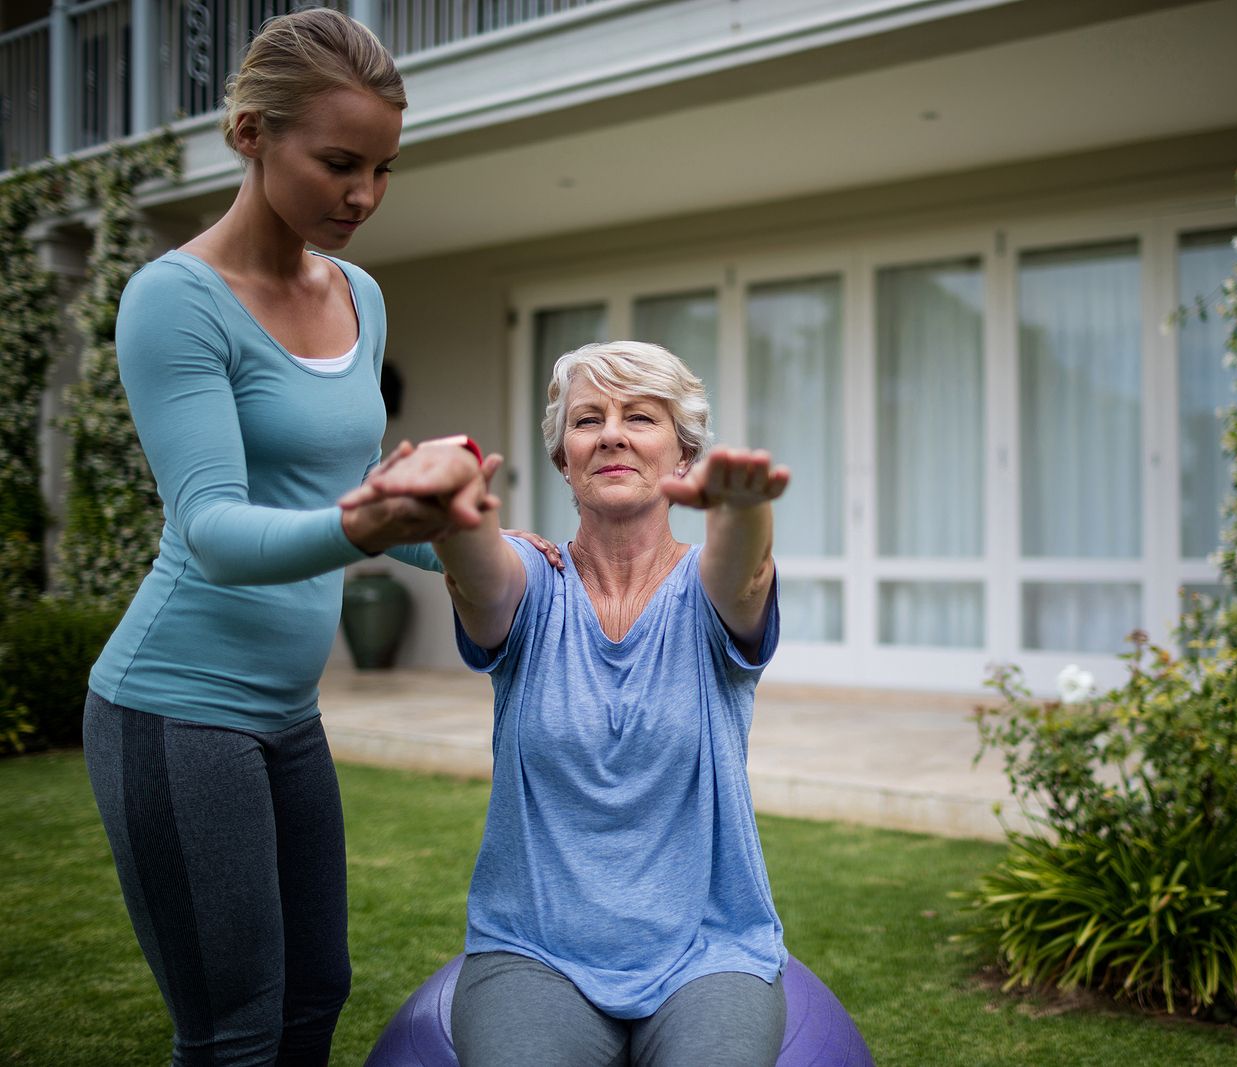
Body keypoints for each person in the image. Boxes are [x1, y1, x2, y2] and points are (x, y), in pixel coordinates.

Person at [81, 11, 557, 1065]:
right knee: (236, 1029)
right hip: (175, 706)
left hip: (288, 714)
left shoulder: (361, 296)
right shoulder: (175, 301)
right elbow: (214, 530)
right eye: (339, 162)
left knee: (315, 994)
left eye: (385, 167)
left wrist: (484, 536)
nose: (365, 195)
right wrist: (369, 519)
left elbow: (361, 493)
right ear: (250, 132)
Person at [347, 340, 793, 1066]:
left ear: (682, 455)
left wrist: (743, 512)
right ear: (563, 459)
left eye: (640, 417)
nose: (612, 432)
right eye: (589, 419)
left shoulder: (705, 587)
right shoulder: (533, 579)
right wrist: (453, 517)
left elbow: (743, 579)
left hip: (711, 950)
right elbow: (481, 578)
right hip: (532, 951)